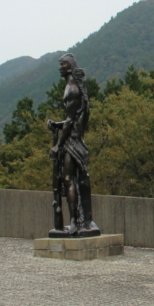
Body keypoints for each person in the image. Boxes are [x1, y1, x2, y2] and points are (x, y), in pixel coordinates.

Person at [47, 53, 100, 237]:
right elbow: (73, 119)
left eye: (62, 64)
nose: (59, 67)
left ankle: (75, 221)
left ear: (69, 67)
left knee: (69, 179)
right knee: (82, 178)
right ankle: (85, 220)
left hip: (71, 140)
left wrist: (58, 145)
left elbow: (70, 121)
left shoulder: (71, 88)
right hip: (77, 137)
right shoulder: (78, 88)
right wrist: (57, 124)